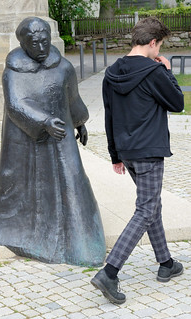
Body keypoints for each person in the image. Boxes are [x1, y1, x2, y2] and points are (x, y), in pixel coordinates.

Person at [0, 17, 106, 267]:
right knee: (22, 186)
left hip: (61, 139)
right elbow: (16, 105)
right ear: (24, 44)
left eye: (44, 42)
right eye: (34, 43)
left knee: (71, 181)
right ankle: (19, 232)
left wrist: (79, 121)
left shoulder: (64, 67)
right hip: (24, 142)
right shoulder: (13, 72)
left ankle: (77, 242)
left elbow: (72, 98)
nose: (40, 47)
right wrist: (44, 121)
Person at [91, 17, 184, 304]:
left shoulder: (111, 72)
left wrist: (115, 155)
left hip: (128, 153)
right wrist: (168, 72)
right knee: (145, 209)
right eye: (161, 45)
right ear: (153, 42)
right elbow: (178, 103)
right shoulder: (155, 72)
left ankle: (166, 263)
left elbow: (109, 115)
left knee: (151, 203)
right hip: (149, 152)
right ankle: (110, 271)